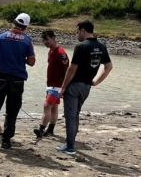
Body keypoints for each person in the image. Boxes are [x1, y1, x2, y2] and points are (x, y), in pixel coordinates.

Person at [0, 13, 36, 149]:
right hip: (17, 80)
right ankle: (6, 140)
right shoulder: (27, 41)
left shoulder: (1, 36)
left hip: (1, 77)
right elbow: (32, 62)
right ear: (26, 26)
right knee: (12, 110)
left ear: (14, 22)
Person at [57, 20, 113, 155]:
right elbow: (108, 67)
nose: (77, 35)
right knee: (75, 115)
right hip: (87, 86)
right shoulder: (102, 46)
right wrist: (96, 81)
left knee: (70, 116)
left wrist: (63, 87)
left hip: (74, 86)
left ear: (83, 30)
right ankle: (71, 143)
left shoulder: (81, 46)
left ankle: (70, 147)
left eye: (78, 32)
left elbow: (72, 68)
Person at [33, 30, 69, 138]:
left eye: (47, 40)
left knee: (46, 105)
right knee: (54, 108)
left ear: (53, 38)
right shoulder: (51, 51)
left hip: (57, 86)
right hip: (51, 84)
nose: (45, 42)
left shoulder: (60, 52)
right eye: (43, 40)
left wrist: (64, 87)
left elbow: (68, 69)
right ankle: (50, 130)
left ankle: (41, 129)